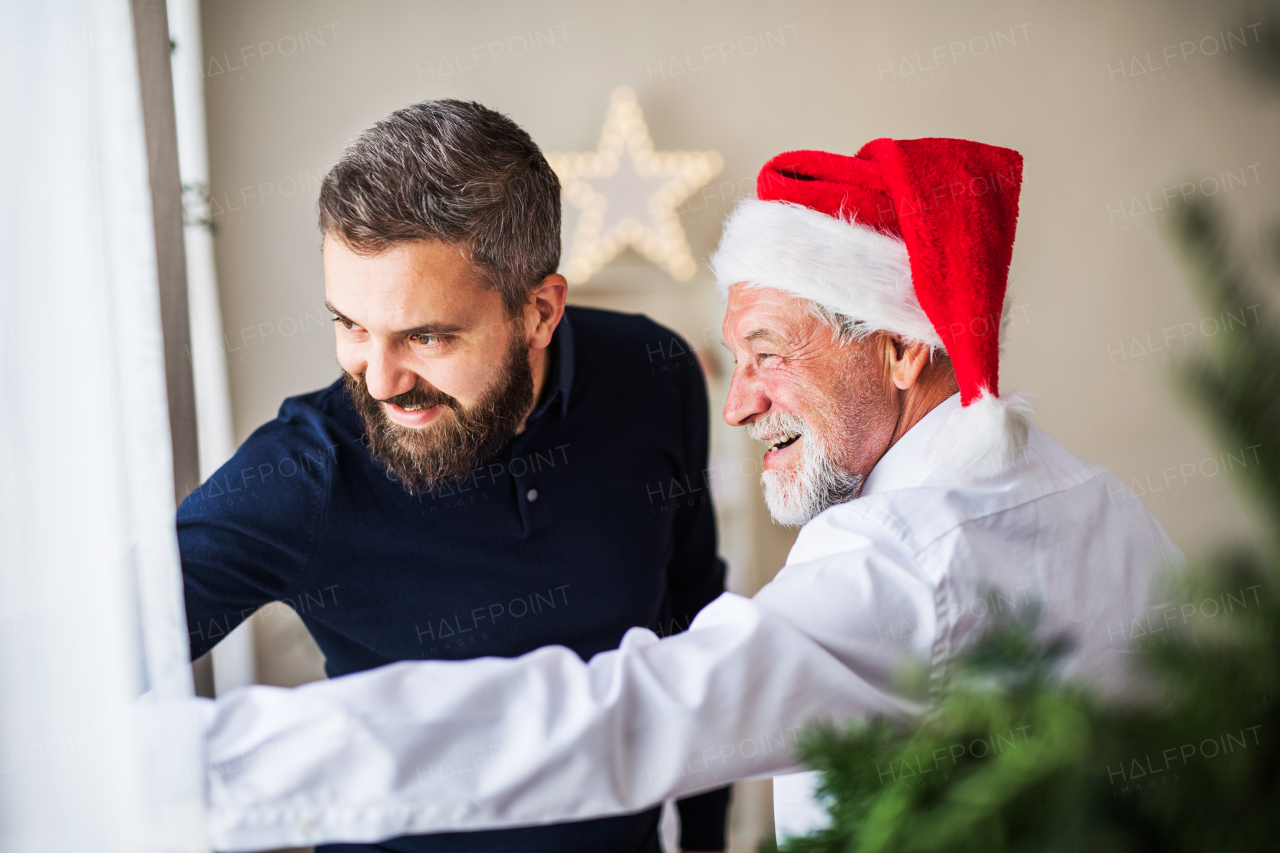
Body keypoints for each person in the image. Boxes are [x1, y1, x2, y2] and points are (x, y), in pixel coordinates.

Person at [180, 138, 1180, 852]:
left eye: (766, 355)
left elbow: (623, 711)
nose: (737, 404)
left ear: (901, 345)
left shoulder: (896, 564)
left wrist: (189, 763)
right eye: (347, 326)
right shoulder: (1097, 500)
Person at [176, 100, 731, 853]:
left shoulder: (656, 372)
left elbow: (696, 630)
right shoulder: (302, 472)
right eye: (350, 326)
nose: (378, 380)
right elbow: (77, 663)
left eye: (426, 336)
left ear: (539, 310)